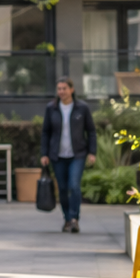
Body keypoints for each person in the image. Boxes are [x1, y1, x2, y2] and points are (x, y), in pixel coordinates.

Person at [40, 77, 97, 233]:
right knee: (63, 189)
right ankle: (67, 219)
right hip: (57, 156)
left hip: (77, 154)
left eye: (64, 88)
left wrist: (92, 152)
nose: (62, 92)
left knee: (74, 185)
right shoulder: (51, 108)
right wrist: (44, 153)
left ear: (72, 89)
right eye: (59, 89)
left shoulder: (82, 108)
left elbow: (91, 131)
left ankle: (74, 218)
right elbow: (46, 132)